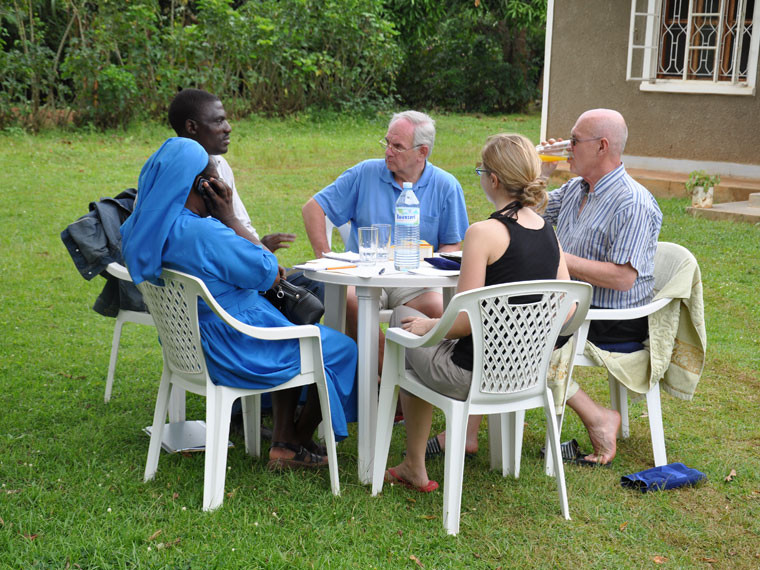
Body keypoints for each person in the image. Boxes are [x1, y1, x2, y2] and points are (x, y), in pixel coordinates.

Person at [120, 137, 358, 469]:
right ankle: (295, 441)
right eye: (217, 179)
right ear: (203, 186)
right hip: (236, 347)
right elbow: (271, 272)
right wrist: (230, 218)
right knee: (342, 349)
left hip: (191, 346)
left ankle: (285, 437)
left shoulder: (140, 229)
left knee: (289, 326)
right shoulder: (203, 234)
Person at [383, 133, 572, 492]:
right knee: (414, 329)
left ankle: (413, 464)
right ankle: (415, 462)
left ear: (494, 179)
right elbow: (568, 307)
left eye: (480, 170)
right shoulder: (549, 232)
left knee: (401, 320)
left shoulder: (483, 233)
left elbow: (464, 320)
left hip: (471, 375)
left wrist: (432, 323)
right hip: (528, 374)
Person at [301, 110, 469, 367]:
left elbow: (451, 245)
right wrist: (324, 257)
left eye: (398, 146)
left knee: (437, 308)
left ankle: (413, 379)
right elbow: (313, 208)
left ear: (422, 152)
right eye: (387, 143)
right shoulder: (365, 173)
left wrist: (427, 269)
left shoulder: (446, 185)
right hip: (364, 274)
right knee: (350, 301)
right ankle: (386, 376)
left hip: (415, 280)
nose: (388, 151)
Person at [167, 88, 321, 298]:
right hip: (230, 287)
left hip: (233, 273)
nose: (228, 128)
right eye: (219, 121)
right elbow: (265, 269)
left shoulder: (169, 171)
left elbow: (240, 225)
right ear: (192, 127)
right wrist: (258, 252)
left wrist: (259, 245)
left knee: (312, 280)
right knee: (314, 288)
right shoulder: (200, 229)